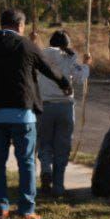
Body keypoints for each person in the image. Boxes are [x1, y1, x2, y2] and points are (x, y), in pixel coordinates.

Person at [0, 9, 72, 219]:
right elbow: (48, 69)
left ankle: (1, 208)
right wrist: (65, 84)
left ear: (2, 24)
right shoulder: (27, 45)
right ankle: (26, 209)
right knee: (25, 161)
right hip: (22, 113)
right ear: (20, 26)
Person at [37, 30, 90, 197]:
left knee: (44, 142)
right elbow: (80, 78)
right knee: (62, 147)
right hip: (65, 107)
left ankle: (46, 169)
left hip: (44, 106)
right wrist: (87, 64)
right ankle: (58, 187)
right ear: (67, 43)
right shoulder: (70, 57)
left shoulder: (40, 55)